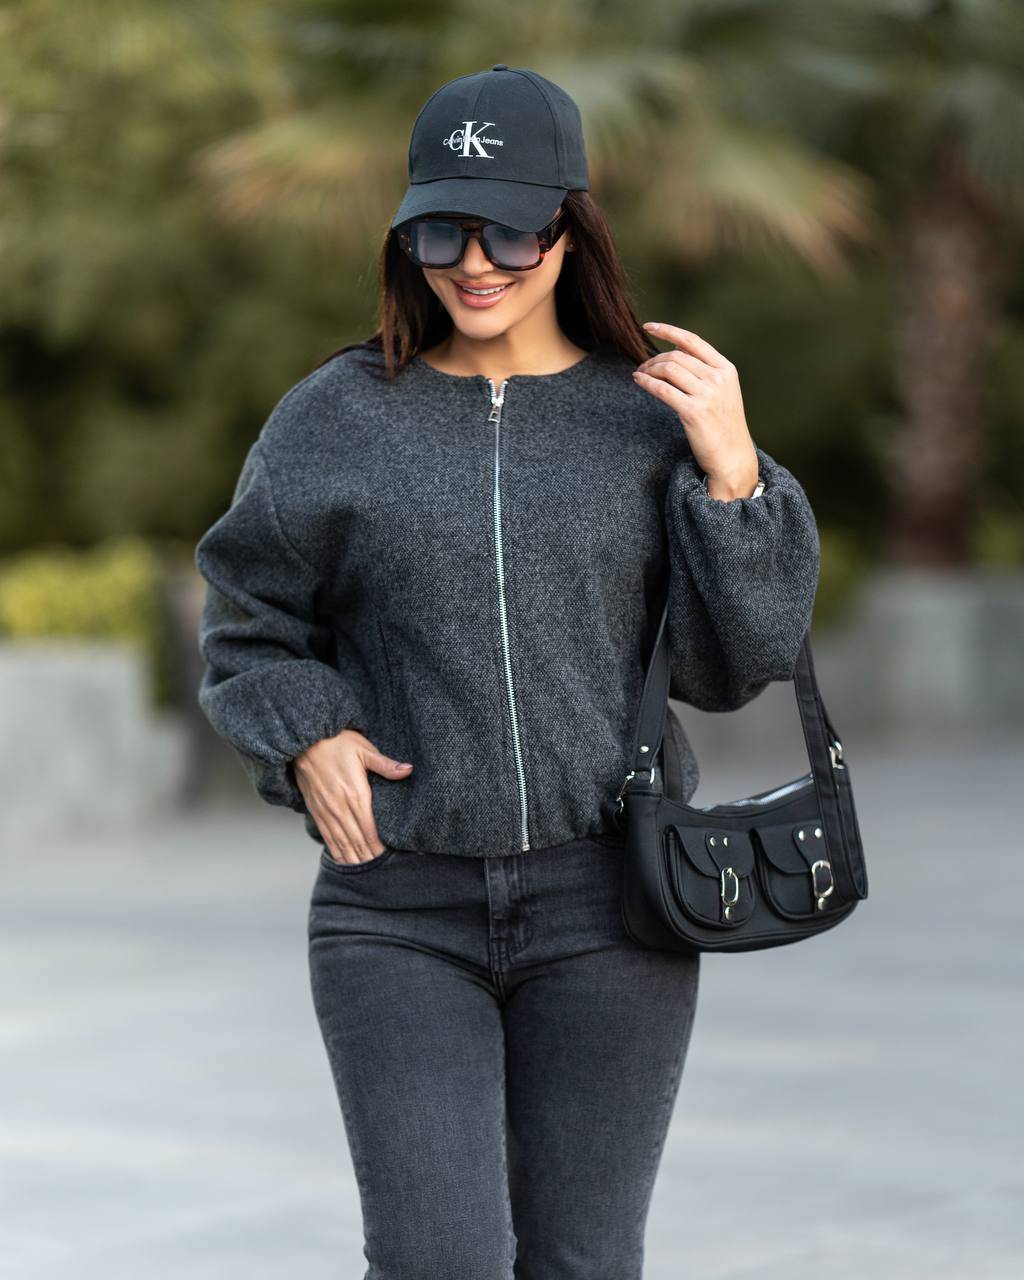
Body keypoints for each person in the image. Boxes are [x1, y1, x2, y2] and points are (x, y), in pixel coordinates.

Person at [194, 64, 819, 1280]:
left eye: (510, 231)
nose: (474, 262)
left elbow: (735, 664)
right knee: (439, 1258)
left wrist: (735, 478)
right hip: (395, 904)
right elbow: (245, 618)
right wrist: (304, 728)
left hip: (613, 900)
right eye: (440, 230)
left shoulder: (646, 419)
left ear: (568, 228)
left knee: (584, 1260)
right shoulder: (334, 416)